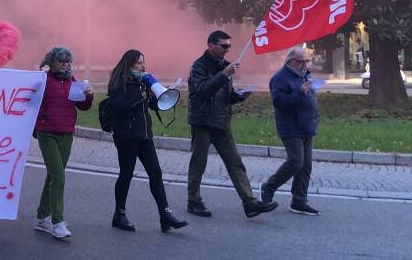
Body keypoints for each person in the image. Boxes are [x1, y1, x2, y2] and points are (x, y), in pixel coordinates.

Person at [186, 30, 278, 218]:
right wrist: (223, 74)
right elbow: (203, 90)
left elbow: (223, 95)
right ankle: (193, 201)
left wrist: (238, 96)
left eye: (229, 46)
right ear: (211, 46)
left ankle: (250, 203)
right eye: (224, 46)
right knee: (199, 163)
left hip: (222, 122)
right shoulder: (199, 66)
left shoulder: (226, 66)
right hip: (203, 121)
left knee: (235, 163)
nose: (228, 50)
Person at [105, 50, 189, 233]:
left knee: (156, 173)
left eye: (143, 62)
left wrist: (158, 97)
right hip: (126, 136)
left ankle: (165, 215)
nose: (143, 66)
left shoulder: (143, 81)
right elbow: (119, 108)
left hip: (144, 135)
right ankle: (119, 215)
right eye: (139, 63)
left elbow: (148, 106)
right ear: (129, 64)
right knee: (126, 174)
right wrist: (140, 97)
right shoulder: (119, 83)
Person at [32, 46, 93, 240]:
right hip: (46, 133)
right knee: (59, 177)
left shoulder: (71, 81)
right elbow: (29, 99)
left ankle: (42, 217)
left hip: (66, 133)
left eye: (68, 61)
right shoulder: (43, 80)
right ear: (52, 62)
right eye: (61, 60)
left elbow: (82, 105)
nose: (65, 64)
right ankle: (57, 222)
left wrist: (89, 94)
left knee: (53, 176)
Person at [261, 47, 320, 216]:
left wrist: (315, 116)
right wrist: (299, 93)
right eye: (301, 62)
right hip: (290, 127)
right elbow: (279, 103)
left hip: (307, 126)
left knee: (306, 166)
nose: (305, 65)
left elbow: (310, 97)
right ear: (290, 62)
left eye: (306, 61)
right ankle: (269, 186)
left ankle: (299, 201)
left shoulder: (305, 75)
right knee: (296, 162)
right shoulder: (279, 79)